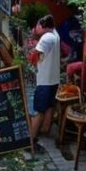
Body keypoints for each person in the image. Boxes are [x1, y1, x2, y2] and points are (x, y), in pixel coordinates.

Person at [27, 15, 62, 153]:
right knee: (49, 106)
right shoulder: (55, 35)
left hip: (45, 80)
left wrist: (30, 52)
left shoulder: (46, 38)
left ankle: (31, 139)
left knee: (39, 111)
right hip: (54, 79)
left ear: (42, 26)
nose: (35, 28)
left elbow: (36, 57)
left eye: (37, 26)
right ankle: (45, 129)